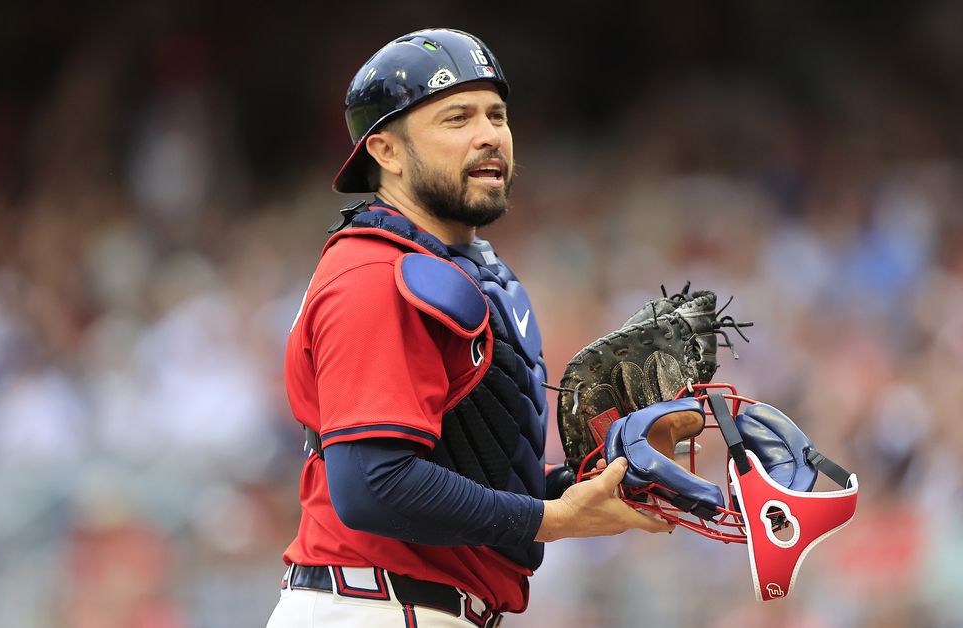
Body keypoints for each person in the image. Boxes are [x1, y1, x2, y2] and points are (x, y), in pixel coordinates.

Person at [266, 28, 672, 628]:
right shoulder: (375, 274)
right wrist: (554, 519)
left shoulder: (448, 271)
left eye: (496, 115)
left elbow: (472, 472)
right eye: (457, 118)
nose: (489, 134)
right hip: (370, 607)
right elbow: (373, 484)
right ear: (387, 151)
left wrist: (600, 480)